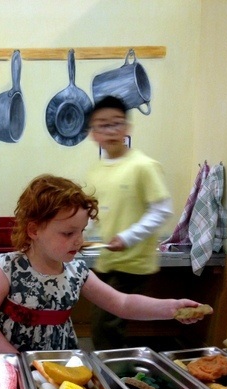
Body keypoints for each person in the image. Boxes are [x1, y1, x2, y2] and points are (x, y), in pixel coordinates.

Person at [0, 174, 209, 354]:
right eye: (67, 233)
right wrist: (14, 360)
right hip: (6, 362)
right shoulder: (8, 268)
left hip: (56, 361)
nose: (79, 240)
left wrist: (172, 308)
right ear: (33, 230)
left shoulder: (76, 271)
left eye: (82, 231)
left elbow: (122, 303)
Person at [85, 95, 173, 350]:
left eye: (116, 123)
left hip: (133, 263)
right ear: (93, 133)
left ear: (127, 128)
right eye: (102, 125)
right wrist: (80, 237)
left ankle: (115, 381)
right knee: (104, 324)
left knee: (106, 325)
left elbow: (161, 210)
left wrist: (127, 237)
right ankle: (113, 375)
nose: (110, 130)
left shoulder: (143, 166)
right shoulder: (97, 170)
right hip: (107, 261)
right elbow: (93, 214)